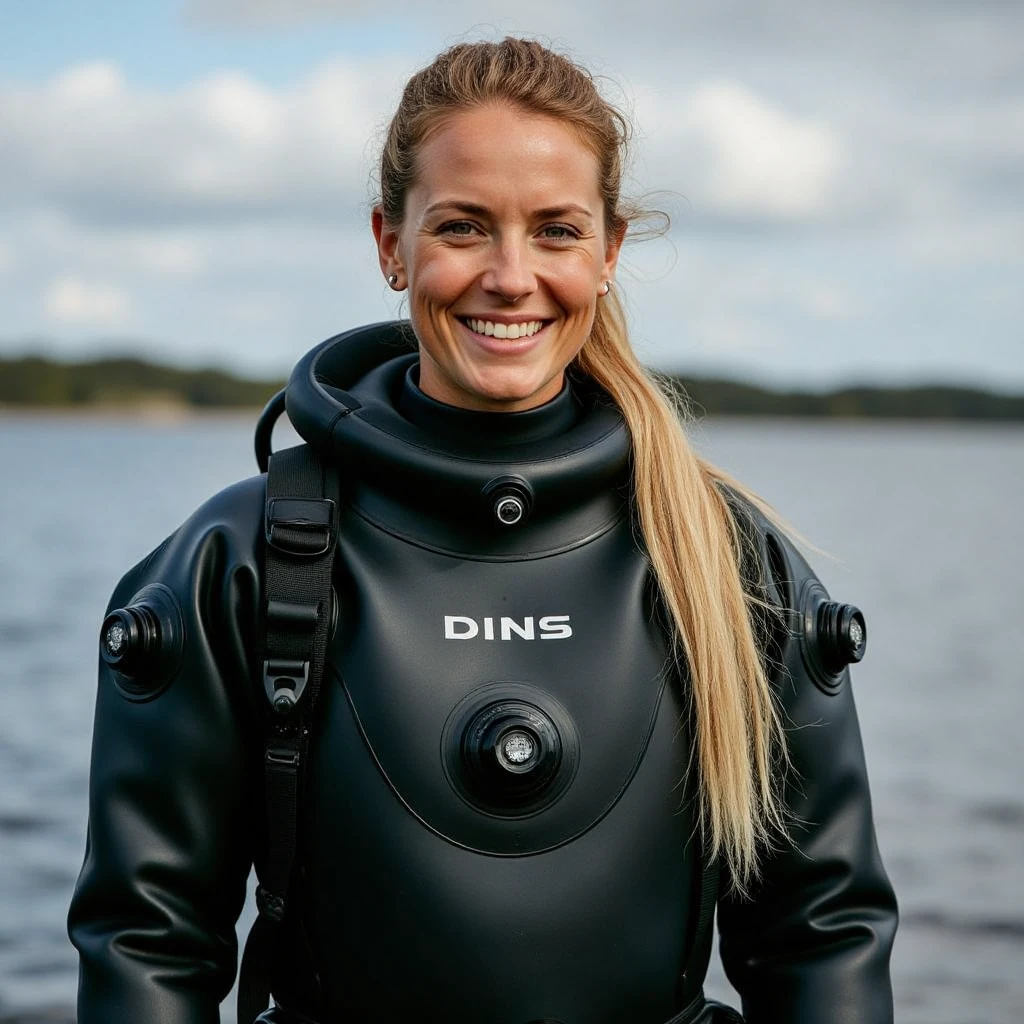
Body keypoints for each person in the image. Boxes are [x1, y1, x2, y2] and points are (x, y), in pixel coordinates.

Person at [68, 37, 897, 1024]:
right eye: (463, 227)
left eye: (555, 231)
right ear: (390, 243)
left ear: (608, 251)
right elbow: (148, 938)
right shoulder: (246, 560)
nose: (511, 277)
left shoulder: (720, 558)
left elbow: (823, 929)